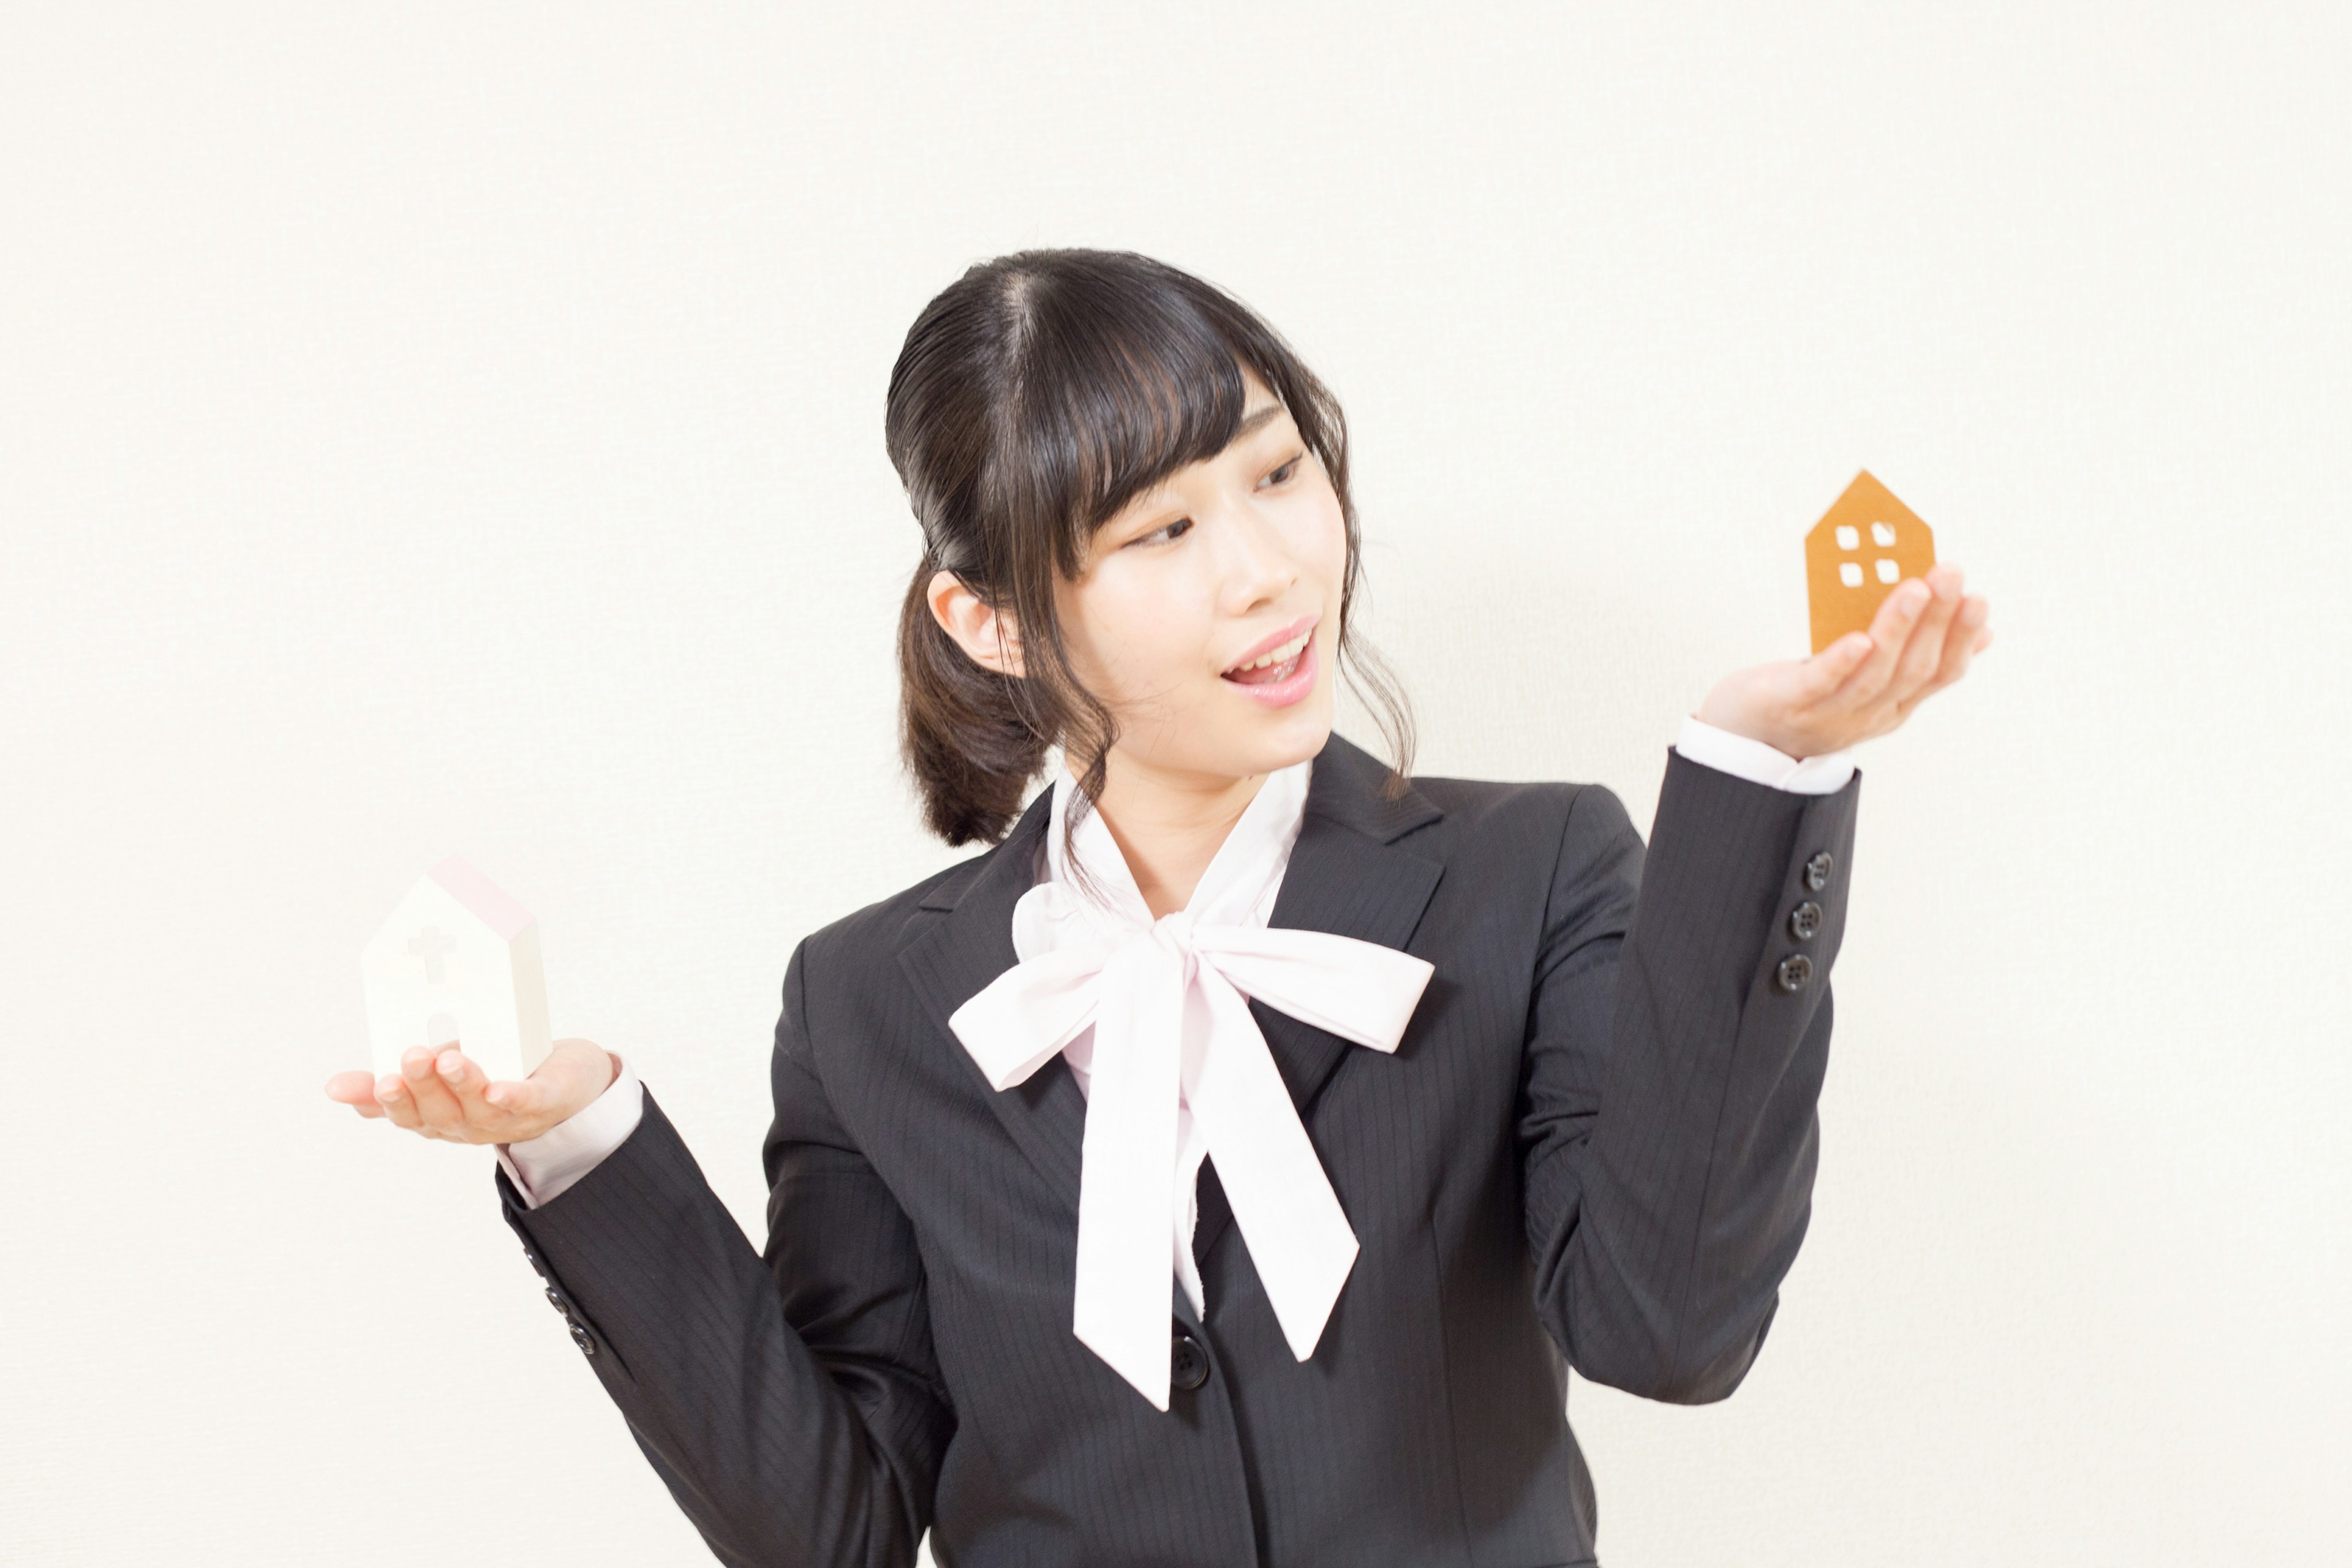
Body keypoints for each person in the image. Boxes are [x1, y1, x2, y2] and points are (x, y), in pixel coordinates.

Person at [326, 248, 1992, 1567]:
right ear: (991, 622)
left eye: (1280, 475)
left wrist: (1760, 781)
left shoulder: (1530, 874)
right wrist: (584, 1146)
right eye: (1165, 527)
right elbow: (826, 1530)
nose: (1266, 568)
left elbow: (1669, 1326)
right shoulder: (871, 1004)